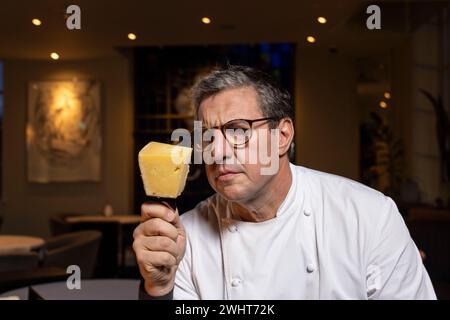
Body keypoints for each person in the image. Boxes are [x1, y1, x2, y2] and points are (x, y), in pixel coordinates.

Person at [133, 65, 436, 300]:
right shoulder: (185, 239)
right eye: (207, 136)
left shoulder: (369, 216)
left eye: (237, 130)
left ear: (283, 136)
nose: (218, 150)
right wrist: (158, 288)